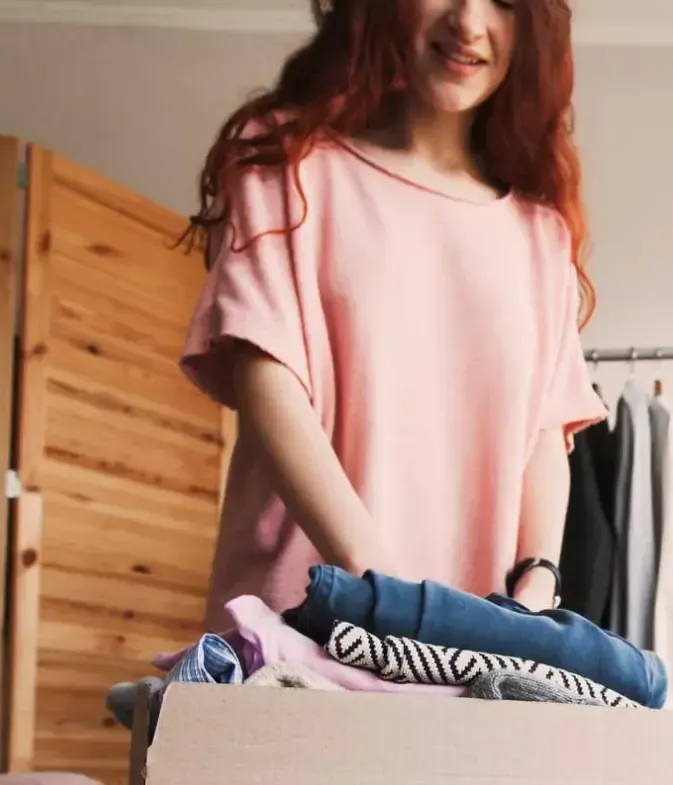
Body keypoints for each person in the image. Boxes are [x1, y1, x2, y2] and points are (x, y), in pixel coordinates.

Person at [181, 0, 602, 628]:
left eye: (504, 3)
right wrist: (381, 587)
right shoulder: (288, 167)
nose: (468, 21)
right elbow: (267, 374)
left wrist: (535, 589)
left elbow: (544, 431)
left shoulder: (539, 230)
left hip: (467, 658)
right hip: (298, 629)